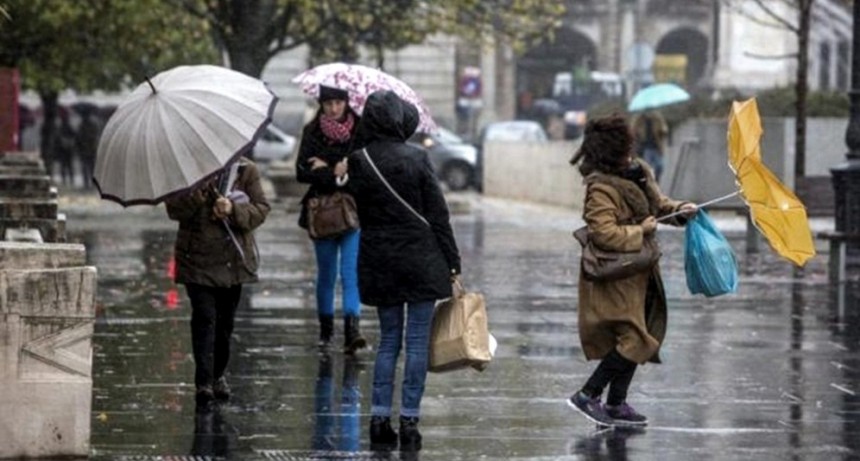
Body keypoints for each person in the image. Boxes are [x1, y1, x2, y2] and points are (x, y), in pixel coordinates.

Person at [341, 90, 461, 452]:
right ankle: (409, 420)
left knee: (389, 341)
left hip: (381, 260)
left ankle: (379, 419)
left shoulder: (358, 161)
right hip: (421, 259)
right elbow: (438, 215)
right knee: (417, 341)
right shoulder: (417, 157)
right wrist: (453, 264)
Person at [567, 114, 696, 427]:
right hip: (616, 273)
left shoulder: (639, 171)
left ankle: (616, 402)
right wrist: (640, 229)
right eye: (624, 145)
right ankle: (587, 395)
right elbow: (603, 233)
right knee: (635, 338)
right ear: (612, 151)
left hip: (641, 268)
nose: (630, 149)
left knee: (640, 331)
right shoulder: (601, 188)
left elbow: (659, 204)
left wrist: (680, 211)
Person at [164, 156, 270, 409]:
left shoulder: (246, 170)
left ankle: (218, 374)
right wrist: (199, 193)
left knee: (225, 323)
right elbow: (174, 210)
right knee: (204, 317)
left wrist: (233, 210)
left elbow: (261, 209)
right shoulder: (185, 171)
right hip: (197, 259)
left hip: (232, 261)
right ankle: (203, 381)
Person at [296, 85, 367, 355]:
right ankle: (326, 331)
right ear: (321, 105)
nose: (333, 108)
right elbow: (301, 172)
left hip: (352, 213)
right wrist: (331, 171)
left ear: (347, 103)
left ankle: (353, 331)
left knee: (351, 273)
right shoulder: (312, 132)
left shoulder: (360, 132)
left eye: (338, 103)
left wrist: (335, 170)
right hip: (321, 214)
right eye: (328, 104)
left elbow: (364, 172)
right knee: (327, 274)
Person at [631, 110, 668, 182]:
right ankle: (649, 183)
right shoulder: (639, 119)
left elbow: (664, 130)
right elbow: (633, 131)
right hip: (645, 148)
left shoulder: (657, 118)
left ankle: (656, 181)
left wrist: (662, 131)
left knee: (659, 166)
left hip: (656, 148)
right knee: (647, 168)